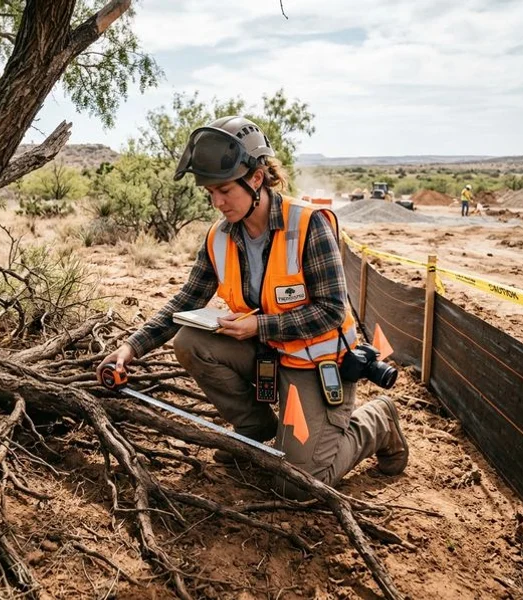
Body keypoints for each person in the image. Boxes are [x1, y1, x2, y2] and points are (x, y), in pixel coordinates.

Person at [96, 116, 408, 497]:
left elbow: (328, 310)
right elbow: (186, 300)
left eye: (225, 189)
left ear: (257, 178)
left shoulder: (308, 225)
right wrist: (131, 347)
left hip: (316, 366)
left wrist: (258, 327)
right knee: (190, 340)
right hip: (268, 356)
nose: (217, 202)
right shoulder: (219, 236)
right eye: (210, 192)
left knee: (299, 486)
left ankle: (378, 421)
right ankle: (256, 429)